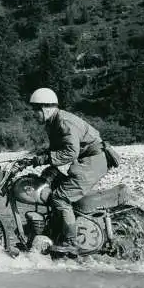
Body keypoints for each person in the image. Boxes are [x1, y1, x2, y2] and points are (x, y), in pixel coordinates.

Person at [28, 87, 109, 256]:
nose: (34, 114)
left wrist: (43, 159)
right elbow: (56, 149)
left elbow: (71, 151)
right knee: (47, 180)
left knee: (60, 197)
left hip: (93, 160)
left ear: (47, 108)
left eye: (36, 109)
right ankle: (54, 230)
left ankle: (71, 242)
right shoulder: (52, 123)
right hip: (84, 159)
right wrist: (32, 159)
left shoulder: (63, 122)